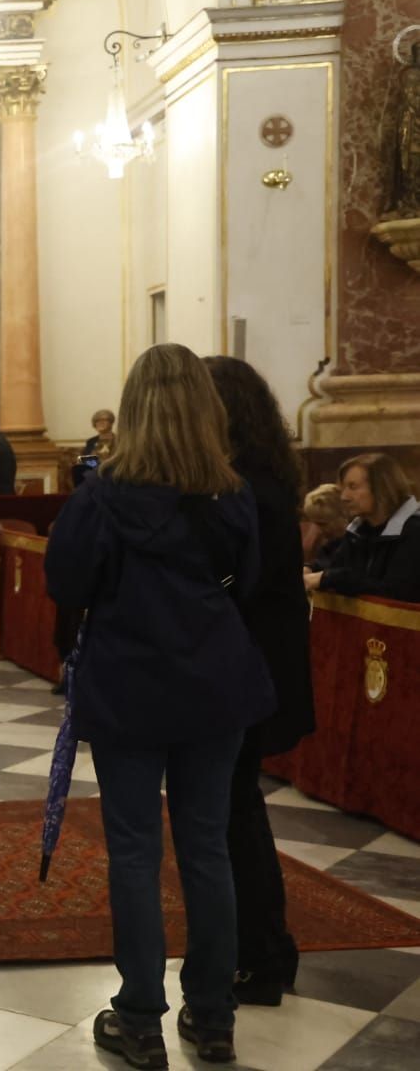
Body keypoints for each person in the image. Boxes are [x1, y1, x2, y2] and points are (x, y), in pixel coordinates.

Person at [46, 343, 275, 1069]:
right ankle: (212, 1018)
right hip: (214, 682)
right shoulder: (230, 493)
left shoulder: (101, 496)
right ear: (203, 411)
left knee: (136, 852)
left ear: (134, 410)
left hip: (131, 687)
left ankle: (141, 1016)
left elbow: (66, 583)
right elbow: (248, 583)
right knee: (207, 848)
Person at [205, 356, 315, 1008]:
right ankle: (267, 948)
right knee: (237, 806)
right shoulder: (266, 473)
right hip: (260, 658)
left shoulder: (244, 483)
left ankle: (259, 955)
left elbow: (239, 580)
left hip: (249, 662)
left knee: (233, 811)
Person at [305, 453, 420, 602]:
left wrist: (328, 578)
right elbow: (336, 564)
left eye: (353, 487)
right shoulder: (360, 530)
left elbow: (394, 591)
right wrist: (311, 568)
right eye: (343, 488)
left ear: (382, 487)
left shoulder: (414, 531)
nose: (344, 497)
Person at [300, 483, 347, 570]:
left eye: (323, 524)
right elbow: (320, 563)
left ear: (342, 516)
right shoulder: (330, 544)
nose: (319, 530)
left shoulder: (354, 546)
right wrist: (308, 568)